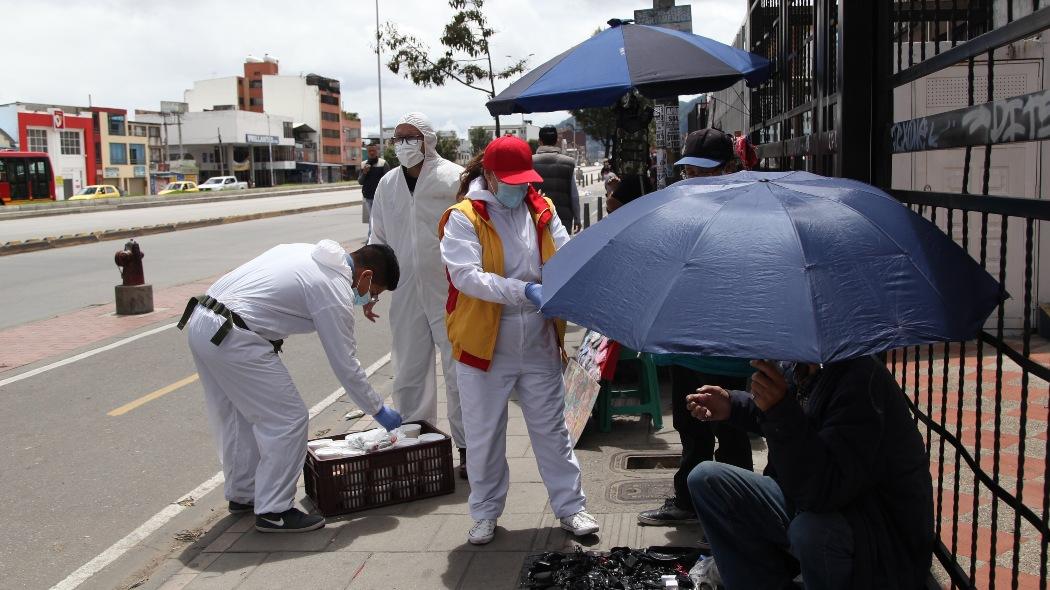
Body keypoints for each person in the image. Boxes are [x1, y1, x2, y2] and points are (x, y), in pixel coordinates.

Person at [178, 240, 403, 533]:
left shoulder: (306, 251)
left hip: (203, 320)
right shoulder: (333, 289)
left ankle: (243, 494)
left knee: (238, 416)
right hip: (236, 337)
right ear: (366, 276)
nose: (368, 299)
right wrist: (378, 410)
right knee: (288, 419)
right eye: (373, 293)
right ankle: (275, 510)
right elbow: (346, 365)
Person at [439, 135, 599, 545]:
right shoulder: (463, 217)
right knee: (484, 433)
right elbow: (466, 276)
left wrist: (574, 278)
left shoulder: (541, 209)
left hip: (539, 337)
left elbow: (562, 255)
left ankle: (571, 507)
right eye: (510, 181)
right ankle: (485, 512)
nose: (518, 189)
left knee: (552, 430)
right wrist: (523, 290)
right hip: (484, 343)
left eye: (523, 181)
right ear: (489, 176)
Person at [686, 357, 934, 589]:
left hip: (878, 536)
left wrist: (779, 409)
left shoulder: (860, 380)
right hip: (818, 498)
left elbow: (824, 490)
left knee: (810, 531)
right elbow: (795, 418)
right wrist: (732, 404)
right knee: (706, 479)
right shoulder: (805, 367)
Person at [635, 128, 756, 527]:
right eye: (690, 172)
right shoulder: (678, 211)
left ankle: (733, 515)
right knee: (689, 427)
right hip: (684, 344)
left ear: (730, 169)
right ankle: (689, 502)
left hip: (730, 351)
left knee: (732, 433)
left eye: (707, 172)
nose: (697, 180)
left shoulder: (751, 213)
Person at [367, 112, 469, 478]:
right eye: (398, 138)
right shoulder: (387, 184)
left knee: (459, 370)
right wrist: (370, 289)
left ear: (428, 140)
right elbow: (377, 238)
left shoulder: (453, 178)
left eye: (411, 137)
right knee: (409, 370)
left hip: (450, 290)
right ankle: (417, 445)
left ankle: (468, 448)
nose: (404, 144)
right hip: (405, 288)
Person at [532, 125, 581, 233]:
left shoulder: (530, 162)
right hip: (563, 220)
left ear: (540, 141)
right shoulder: (568, 163)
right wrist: (577, 218)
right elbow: (574, 195)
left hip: (536, 218)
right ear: (556, 141)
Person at [357, 143, 388, 212]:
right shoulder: (363, 164)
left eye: (373, 150)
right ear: (367, 152)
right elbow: (360, 182)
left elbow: (388, 181)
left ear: (377, 151)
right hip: (368, 197)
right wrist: (364, 172)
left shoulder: (383, 163)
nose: (372, 152)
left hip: (380, 197)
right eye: (369, 151)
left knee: (380, 219)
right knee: (371, 219)